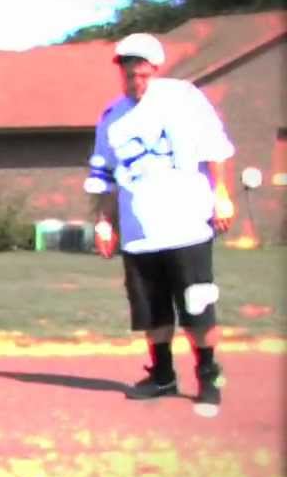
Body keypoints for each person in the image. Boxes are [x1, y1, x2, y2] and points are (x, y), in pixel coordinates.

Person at [84, 33, 235, 416]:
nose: (136, 83)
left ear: (155, 69)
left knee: (197, 306)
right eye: (129, 75)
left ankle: (208, 375)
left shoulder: (184, 99)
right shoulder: (112, 117)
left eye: (143, 75)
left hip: (187, 226)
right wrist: (104, 223)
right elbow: (104, 174)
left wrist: (221, 195)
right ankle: (163, 374)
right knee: (152, 311)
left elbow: (215, 148)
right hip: (140, 234)